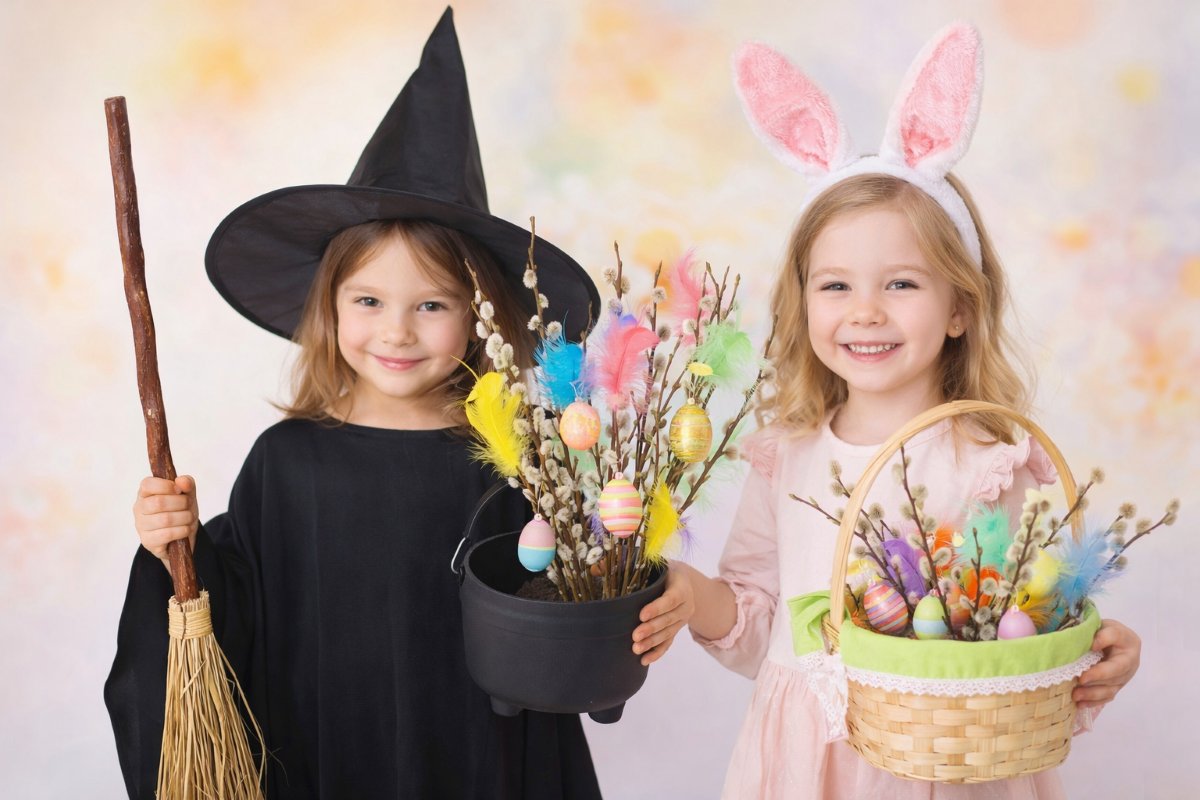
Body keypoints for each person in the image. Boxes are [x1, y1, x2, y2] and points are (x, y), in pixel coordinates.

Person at [631, 23, 1142, 799]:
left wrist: (1095, 651)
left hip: (945, 761)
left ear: (960, 308)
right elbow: (760, 626)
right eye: (836, 285)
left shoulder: (987, 461)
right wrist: (689, 593)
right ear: (803, 303)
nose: (865, 311)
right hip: (807, 762)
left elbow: (1021, 628)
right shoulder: (787, 452)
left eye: (901, 284)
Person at [105, 9, 602, 799]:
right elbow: (225, 624)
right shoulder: (287, 463)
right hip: (323, 759)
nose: (396, 332)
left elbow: (564, 622)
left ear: (479, 319)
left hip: (481, 763)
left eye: (431, 305)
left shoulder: (518, 462)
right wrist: (171, 548)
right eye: (368, 300)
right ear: (329, 306)